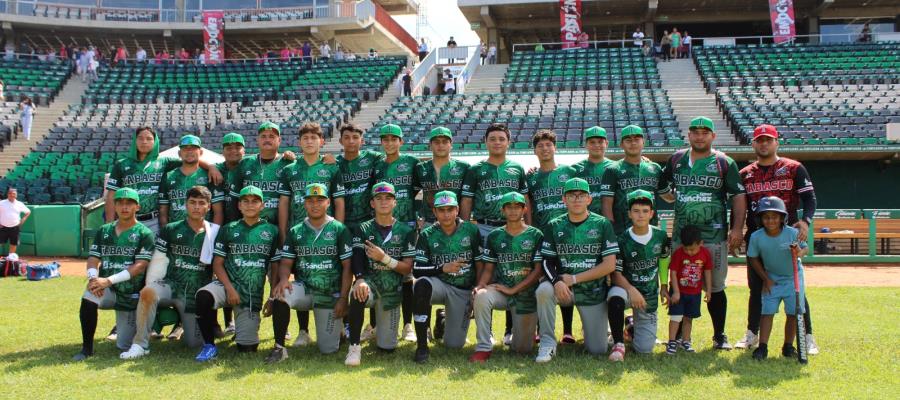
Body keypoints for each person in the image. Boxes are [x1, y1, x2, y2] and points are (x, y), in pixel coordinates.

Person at [657, 116, 747, 350]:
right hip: (681, 237)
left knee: (715, 287)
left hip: (714, 237)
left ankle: (719, 335)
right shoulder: (677, 159)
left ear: (713, 136)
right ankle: (679, 339)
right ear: (689, 135)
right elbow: (662, 185)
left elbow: (738, 196)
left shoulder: (724, 162)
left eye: (704, 132)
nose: (699, 136)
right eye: (695, 132)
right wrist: (675, 199)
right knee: (682, 285)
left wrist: (737, 228)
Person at [736, 124, 819, 354]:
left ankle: (807, 336)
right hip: (757, 236)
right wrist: (736, 231)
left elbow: (810, 199)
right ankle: (752, 334)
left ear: (776, 142)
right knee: (756, 288)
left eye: (768, 140)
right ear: (753, 144)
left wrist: (806, 221)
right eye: (759, 140)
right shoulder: (746, 173)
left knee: (796, 289)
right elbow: (739, 206)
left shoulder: (793, 168)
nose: (764, 143)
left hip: (786, 236)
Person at [119, 186, 217, 359]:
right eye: (192, 202)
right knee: (149, 292)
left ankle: (182, 323)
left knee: (193, 344)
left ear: (208, 206)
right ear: (185, 205)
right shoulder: (171, 229)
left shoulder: (215, 232)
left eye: (201, 203)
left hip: (194, 293)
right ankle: (140, 345)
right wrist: (152, 288)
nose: (196, 207)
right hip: (172, 284)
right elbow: (158, 261)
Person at [535, 178, 618, 363]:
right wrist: (556, 281)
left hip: (592, 291)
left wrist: (574, 278)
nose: (577, 199)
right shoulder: (554, 225)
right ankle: (547, 343)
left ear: (589, 199)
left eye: (581, 195)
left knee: (597, 349)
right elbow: (546, 261)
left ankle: (596, 329)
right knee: (543, 290)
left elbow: (609, 265)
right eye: (572, 195)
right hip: (564, 288)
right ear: (564, 199)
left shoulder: (602, 224)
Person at [194, 186, 280, 362]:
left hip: (250, 296)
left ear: (262, 205)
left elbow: (275, 267)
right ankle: (209, 345)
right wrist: (229, 288)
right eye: (245, 201)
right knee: (203, 296)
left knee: (247, 348)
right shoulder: (229, 229)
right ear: (239, 206)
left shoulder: (271, 231)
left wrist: (271, 298)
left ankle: (243, 330)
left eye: (255, 201)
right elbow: (217, 264)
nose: (250, 205)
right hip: (227, 286)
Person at [268, 183, 353, 361]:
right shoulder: (296, 231)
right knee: (281, 294)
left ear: (328, 202)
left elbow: (347, 267)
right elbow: (285, 262)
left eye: (320, 200)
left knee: (328, 350)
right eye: (310, 201)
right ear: (304, 204)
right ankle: (279, 348)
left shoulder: (339, 229)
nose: (315, 205)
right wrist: (283, 279)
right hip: (305, 288)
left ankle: (338, 331)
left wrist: (344, 299)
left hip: (329, 293)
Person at [73, 188, 155, 361]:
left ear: (137, 207)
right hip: (106, 289)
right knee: (89, 295)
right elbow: (93, 258)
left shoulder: (144, 233)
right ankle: (86, 349)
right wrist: (93, 278)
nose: (124, 207)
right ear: (115, 206)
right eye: (120, 203)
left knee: (124, 345)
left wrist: (108, 280)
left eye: (129, 203)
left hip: (131, 295)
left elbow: (140, 266)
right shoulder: (104, 230)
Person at [344, 182, 417, 366]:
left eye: (388, 198)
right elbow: (357, 258)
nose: (384, 202)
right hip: (371, 283)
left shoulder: (406, 231)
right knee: (357, 292)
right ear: (372, 203)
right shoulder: (363, 228)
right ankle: (354, 347)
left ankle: (380, 331)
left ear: (394, 203)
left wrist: (384, 258)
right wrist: (359, 278)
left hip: (392, 291)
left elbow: (407, 268)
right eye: (379, 198)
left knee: (387, 348)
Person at [105, 126, 221, 235]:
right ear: (135, 140)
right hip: (127, 219)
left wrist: (211, 167)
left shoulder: (163, 162)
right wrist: (109, 225)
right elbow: (111, 196)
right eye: (140, 138)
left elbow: (190, 160)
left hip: (154, 220)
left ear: (155, 142)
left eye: (149, 138)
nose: (144, 142)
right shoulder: (122, 164)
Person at [471, 192, 542, 362]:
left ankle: (527, 333)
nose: (512, 211)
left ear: (524, 209)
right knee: (481, 296)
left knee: (522, 350)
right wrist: (480, 285)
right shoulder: (495, 235)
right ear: (503, 210)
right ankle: (483, 347)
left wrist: (514, 289)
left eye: (517, 207)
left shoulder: (536, 235)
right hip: (501, 291)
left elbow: (538, 271)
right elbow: (488, 268)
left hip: (526, 294)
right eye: (508, 207)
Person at [411, 191, 482, 363]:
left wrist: (477, 289)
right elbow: (417, 269)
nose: (446, 214)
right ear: (434, 212)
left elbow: (480, 264)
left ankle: (442, 319)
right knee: (420, 285)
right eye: (441, 210)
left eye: (450, 209)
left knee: (454, 345)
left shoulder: (471, 230)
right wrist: (443, 268)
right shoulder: (427, 234)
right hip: (438, 285)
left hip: (462, 289)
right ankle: (422, 347)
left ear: (457, 210)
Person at [526, 129, 578, 345]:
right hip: (541, 236)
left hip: (567, 236)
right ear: (535, 150)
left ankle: (567, 330)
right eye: (540, 145)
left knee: (566, 279)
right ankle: (540, 328)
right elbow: (527, 204)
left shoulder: (570, 172)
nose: (545, 149)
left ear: (555, 148)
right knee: (541, 280)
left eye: (549, 145)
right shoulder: (531, 177)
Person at [607, 190, 671, 361]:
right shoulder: (622, 240)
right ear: (629, 214)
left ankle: (631, 326)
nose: (640, 215)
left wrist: (664, 285)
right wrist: (631, 289)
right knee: (615, 297)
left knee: (644, 350)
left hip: (648, 296)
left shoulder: (661, 236)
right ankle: (619, 343)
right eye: (636, 211)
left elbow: (663, 261)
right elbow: (615, 274)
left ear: (652, 213)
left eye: (645, 211)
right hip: (628, 291)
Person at [747, 196, 808, 361]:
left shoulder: (792, 233)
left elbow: (805, 249)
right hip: (771, 279)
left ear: (782, 218)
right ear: (760, 219)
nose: (770, 221)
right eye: (766, 217)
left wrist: (798, 253)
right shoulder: (756, 237)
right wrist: (765, 278)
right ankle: (762, 347)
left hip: (793, 279)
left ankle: (788, 346)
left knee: (793, 314)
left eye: (774, 217)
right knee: (767, 313)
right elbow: (753, 258)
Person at [461, 123, 531, 239]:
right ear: (486, 142)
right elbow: (467, 200)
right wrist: (465, 229)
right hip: (484, 227)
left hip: (513, 226)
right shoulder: (475, 169)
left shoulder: (517, 168)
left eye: (502, 139)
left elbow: (525, 198)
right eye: (492, 139)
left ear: (508, 143)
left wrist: (529, 227)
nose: (497, 142)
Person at [600, 125, 664, 234]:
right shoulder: (613, 170)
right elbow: (606, 203)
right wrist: (610, 230)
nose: (633, 143)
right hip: (622, 230)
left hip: (650, 228)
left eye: (637, 140)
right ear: (621, 144)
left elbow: (666, 195)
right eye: (628, 140)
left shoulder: (655, 168)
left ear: (643, 142)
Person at [234, 122, 294, 226]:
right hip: (248, 227)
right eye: (263, 136)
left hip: (279, 226)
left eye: (271, 136)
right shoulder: (245, 163)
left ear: (279, 140)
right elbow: (235, 199)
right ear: (257, 140)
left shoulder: (288, 163)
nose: (267, 140)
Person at [157, 135, 224, 227]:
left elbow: (218, 211)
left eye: (193, 148)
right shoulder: (168, 176)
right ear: (179, 153)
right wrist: (166, 232)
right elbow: (163, 210)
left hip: (203, 232)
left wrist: (214, 234)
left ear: (200, 152)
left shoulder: (210, 175)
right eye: (185, 149)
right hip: (175, 231)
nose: (189, 151)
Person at [666, 225, 712, 355]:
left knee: (688, 318)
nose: (689, 252)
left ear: (700, 243)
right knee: (676, 317)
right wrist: (675, 291)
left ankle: (686, 341)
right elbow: (673, 272)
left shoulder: (705, 254)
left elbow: (707, 272)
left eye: (692, 249)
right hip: (679, 293)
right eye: (686, 249)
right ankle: (672, 342)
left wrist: (708, 290)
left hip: (695, 293)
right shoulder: (678, 253)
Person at [415, 127, 469, 227]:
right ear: (430, 145)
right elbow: (410, 193)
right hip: (429, 223)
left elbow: (468, 198)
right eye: (436, 142)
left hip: (456, 223)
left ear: (451, 144)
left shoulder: (463, 167)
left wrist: (465, 223)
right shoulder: (421, 168)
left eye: (445, 142)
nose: (441, 145)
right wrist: (419, 216)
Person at [373, 124, 419, 229]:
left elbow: (422, 186)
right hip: (382, 222)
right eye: (385, 140)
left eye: (394, 139)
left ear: (401, 142)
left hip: (407, 220)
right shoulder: (377, 165)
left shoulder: (412, 162)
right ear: (381, 142)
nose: (389, 143)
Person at [573, 126, 614, 217]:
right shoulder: (575, 169)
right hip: (584, 221)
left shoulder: (615, 167)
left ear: (606, 143)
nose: (596, 145)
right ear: (585, 144)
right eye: (592, 142)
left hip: (611, 219)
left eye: (600, 142)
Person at [0, 188, 30, 260]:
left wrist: (23, 220)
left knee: (13, 243)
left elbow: (28, 212)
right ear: (7, 194)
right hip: (2, 227)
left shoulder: (20, 204)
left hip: (15, 227)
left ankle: (10, 259)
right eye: (10, 193)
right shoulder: (1, 203)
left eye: (14, 194)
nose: (12, 195)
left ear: (16, 195)